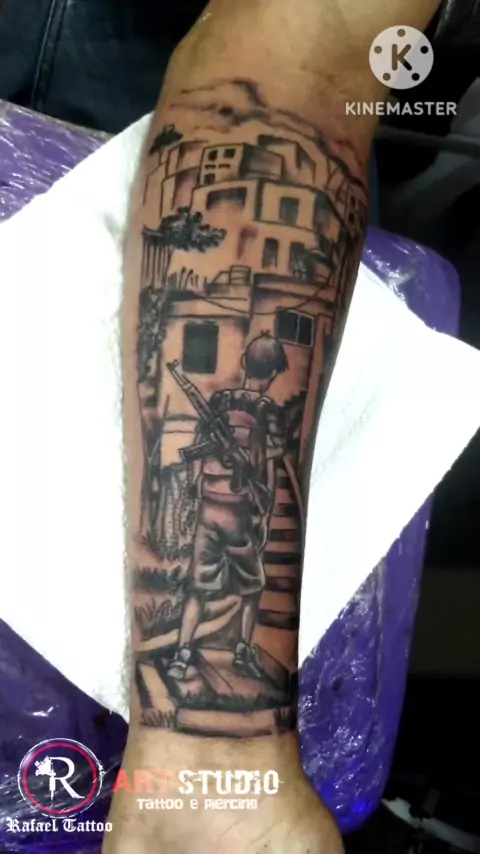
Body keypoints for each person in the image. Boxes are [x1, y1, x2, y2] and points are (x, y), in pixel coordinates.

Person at [101, 2, 443, 853]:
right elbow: (293, 66)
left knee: (226, 576)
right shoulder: (232, 402)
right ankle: (195, 668)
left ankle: (206, 666)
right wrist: (211, 756)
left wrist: (211, 765)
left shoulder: (249, 404)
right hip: (120, 76)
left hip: (240, 499)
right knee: (210, 578)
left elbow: (311, 54)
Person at [168, 333, 287, 682]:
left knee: (197, 588)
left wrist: (194, 489)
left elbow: (196, 449)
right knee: (253, 586)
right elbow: (271, 468)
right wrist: (265, 514)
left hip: (210, 507)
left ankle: (182, 652)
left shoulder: (219, 401)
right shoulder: (267, 411)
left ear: (245, 363)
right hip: (239, 514)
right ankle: (242, 651)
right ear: (273, 374)